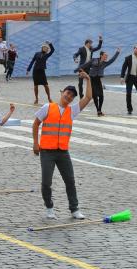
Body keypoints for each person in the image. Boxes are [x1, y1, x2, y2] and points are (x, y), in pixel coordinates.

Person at [32, 70, 92, 220]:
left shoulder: (72, 111)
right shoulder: (48, 107)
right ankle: (49, 207)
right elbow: (35, 124)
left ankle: (74, 209)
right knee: (46, 182)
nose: (69, 96)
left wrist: (88, 79)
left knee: (70, 180)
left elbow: (88, 97)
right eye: (67, 93)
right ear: (62, 92)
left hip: (63, 152)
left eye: (71, 96)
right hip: (46, 151)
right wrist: (35, 143)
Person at [75, 48, 120, 116]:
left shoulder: (105, 63)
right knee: (95, 95)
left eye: (107, 56)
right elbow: (85, 65)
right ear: (101, 55)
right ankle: (98, 111)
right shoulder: (94, 60)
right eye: (105, 55)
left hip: (98, 80)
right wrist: (77, 70)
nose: (106, 57)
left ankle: (99, 109)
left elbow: (112, 59)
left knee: (101, 96)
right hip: (91, 80)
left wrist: (117, 52)